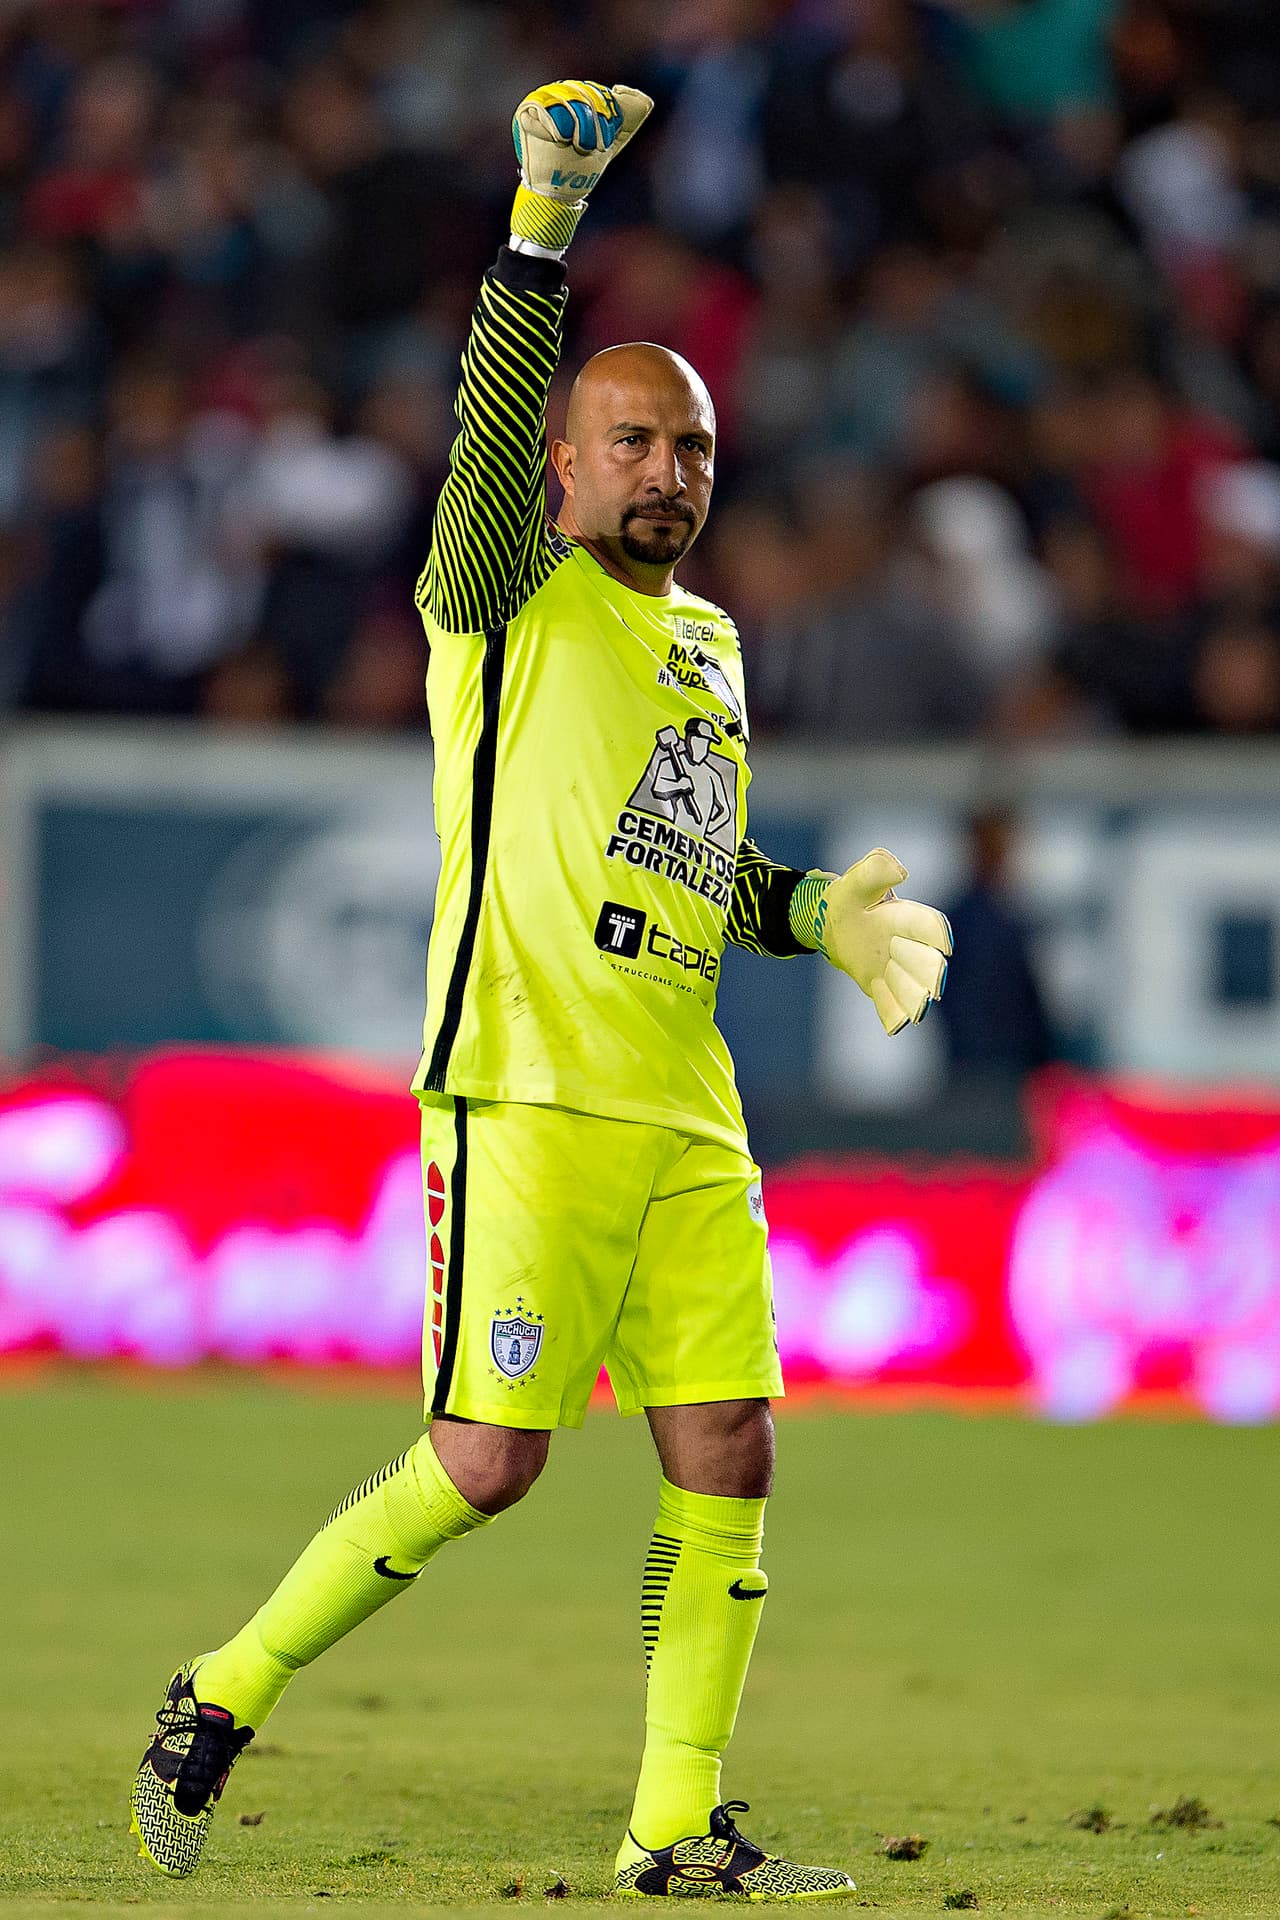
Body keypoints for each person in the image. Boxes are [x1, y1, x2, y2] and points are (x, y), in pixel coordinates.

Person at [129, 82, 953, 1899]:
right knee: (489, 1462)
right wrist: (540, 237)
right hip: (523, 1089)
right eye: (634, 441)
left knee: (729, 1450)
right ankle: (222, 1688)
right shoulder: (497, 593)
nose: (668, 470)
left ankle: (672, 1831)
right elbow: (491, 428)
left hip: (686, 1105)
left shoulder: (711, 643)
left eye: (695, 448)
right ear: (566, 470)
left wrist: (812, 909)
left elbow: (676, 858)